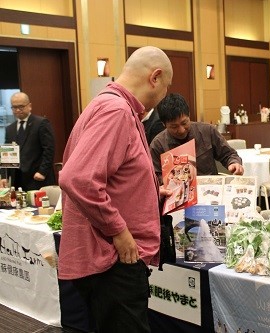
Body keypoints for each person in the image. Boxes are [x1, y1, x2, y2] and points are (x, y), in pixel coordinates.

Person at [58, 46, 173, 333]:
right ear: (155, 77)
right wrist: (119, 231)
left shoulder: (106, 105)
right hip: (114, 261)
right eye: (166, 88)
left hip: (109, 261)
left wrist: (148, 194)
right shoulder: (116, 110)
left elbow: (111, 176)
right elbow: (77, 178)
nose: (162, 98)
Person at [150, 93, 244, 179]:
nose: (182, 130)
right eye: (174, 127)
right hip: (177, 193)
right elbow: (155, 177)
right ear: (163, 124)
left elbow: (228, 154)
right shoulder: (158, 145)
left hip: (210, 190)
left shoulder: (207, 131)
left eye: (184, 123)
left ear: (189, 115)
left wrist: (234, 163)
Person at [3, 92, 56, 191]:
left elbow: (49, 149)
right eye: (14, 107)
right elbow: (6, 154)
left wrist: (42, 171)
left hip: (37, 177)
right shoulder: (10, 129)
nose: (18, 110)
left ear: (29, 106)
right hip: (18, 180)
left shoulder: (41, 123)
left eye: (21, 106)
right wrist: (3, 176)